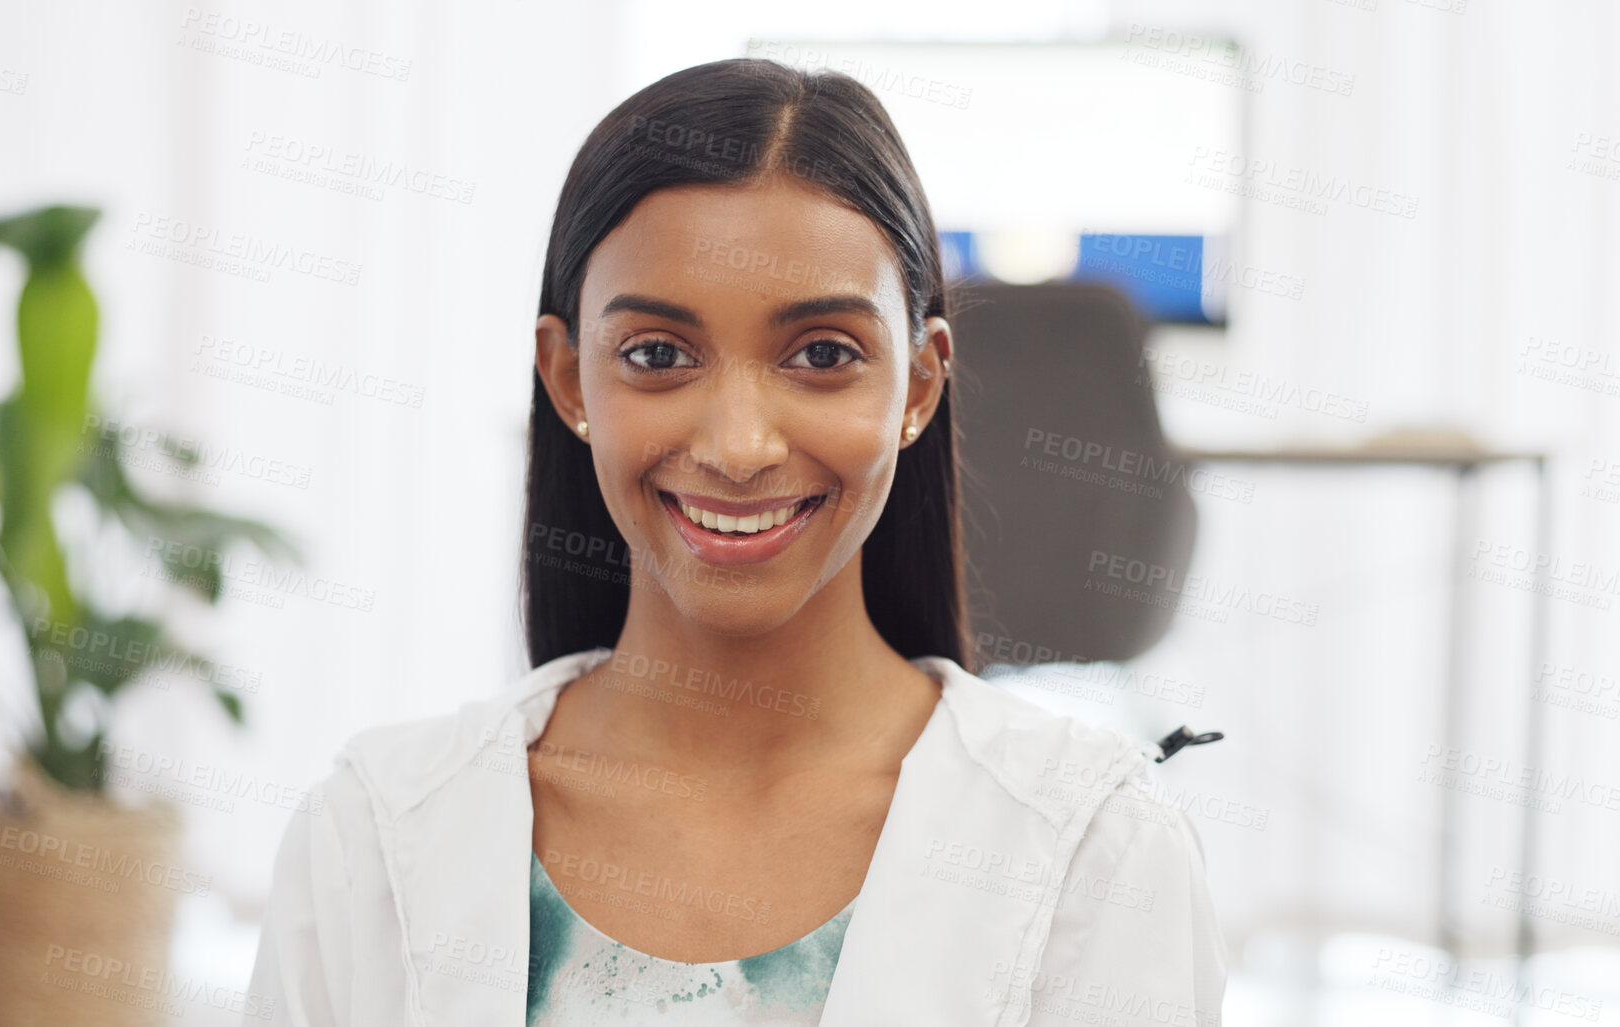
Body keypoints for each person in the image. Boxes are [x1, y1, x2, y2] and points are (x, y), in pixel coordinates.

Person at [247, 56, 1227, 1026]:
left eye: (823, 355)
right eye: (658, 355)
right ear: (570, 378)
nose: (739, 446)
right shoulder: (370, 838)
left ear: (921, 386)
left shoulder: (1098, 853)